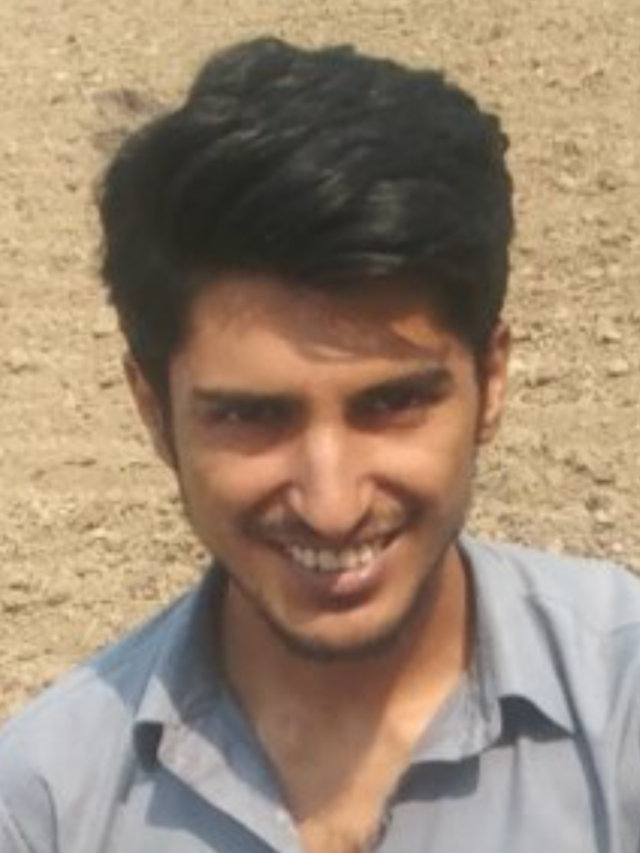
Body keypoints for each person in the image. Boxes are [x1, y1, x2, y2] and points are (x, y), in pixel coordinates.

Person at [0, 36, 638, 853]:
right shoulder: (49, 805)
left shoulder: (622, 710)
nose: (332, 505)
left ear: (493, 381)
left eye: (392, 403)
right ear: (154, 411)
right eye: (250, 416)